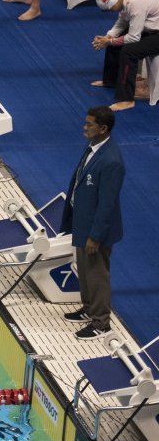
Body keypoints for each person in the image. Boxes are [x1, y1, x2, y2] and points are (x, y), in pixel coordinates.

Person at [59, 107, 125, 339]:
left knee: (97, 275)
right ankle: (89, 309)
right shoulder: (93, 148)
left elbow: (107, 204)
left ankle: (101, 323)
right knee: (85, 270)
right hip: (83, 222)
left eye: (90, 124)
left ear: (104, 129)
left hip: (97, 229)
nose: (84, 127)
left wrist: (95, 235)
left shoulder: (111, 161)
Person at [92, 0, 159, 111]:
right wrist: (107, 37)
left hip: (156, 30)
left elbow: (134, 38)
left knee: (128, 52)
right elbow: (122, 21)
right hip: (151, 24)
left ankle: (127, 99)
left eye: (112, 9)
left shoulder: (136, 3)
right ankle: (111, 80)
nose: (112, 11)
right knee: (115, 41)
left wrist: (110, 41)